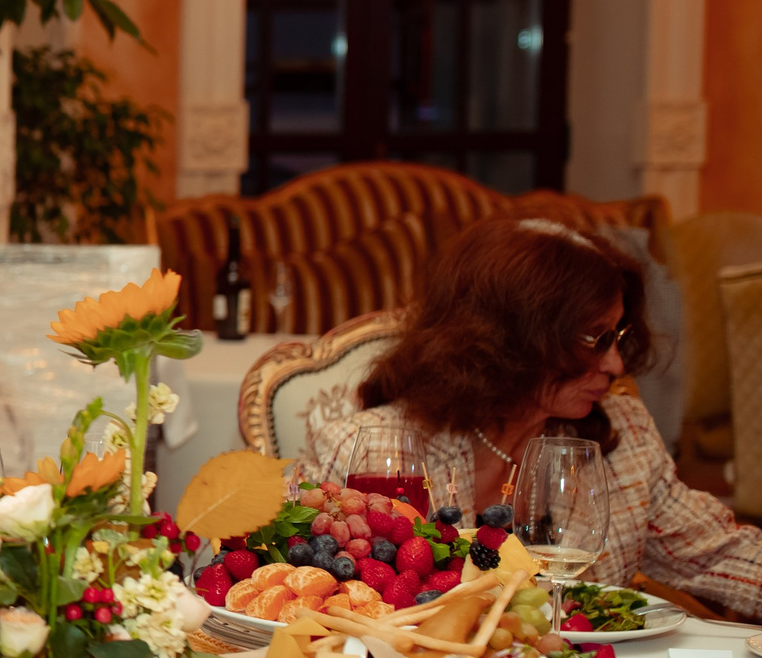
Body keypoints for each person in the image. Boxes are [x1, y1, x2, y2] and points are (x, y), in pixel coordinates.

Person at [310, 214, 762, 619]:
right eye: (593, 338)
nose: (616, 365)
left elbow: (719, 554)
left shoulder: (625, 434)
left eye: (617, 336)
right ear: (510, 340)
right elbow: (309, 603)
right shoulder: (372, 451)